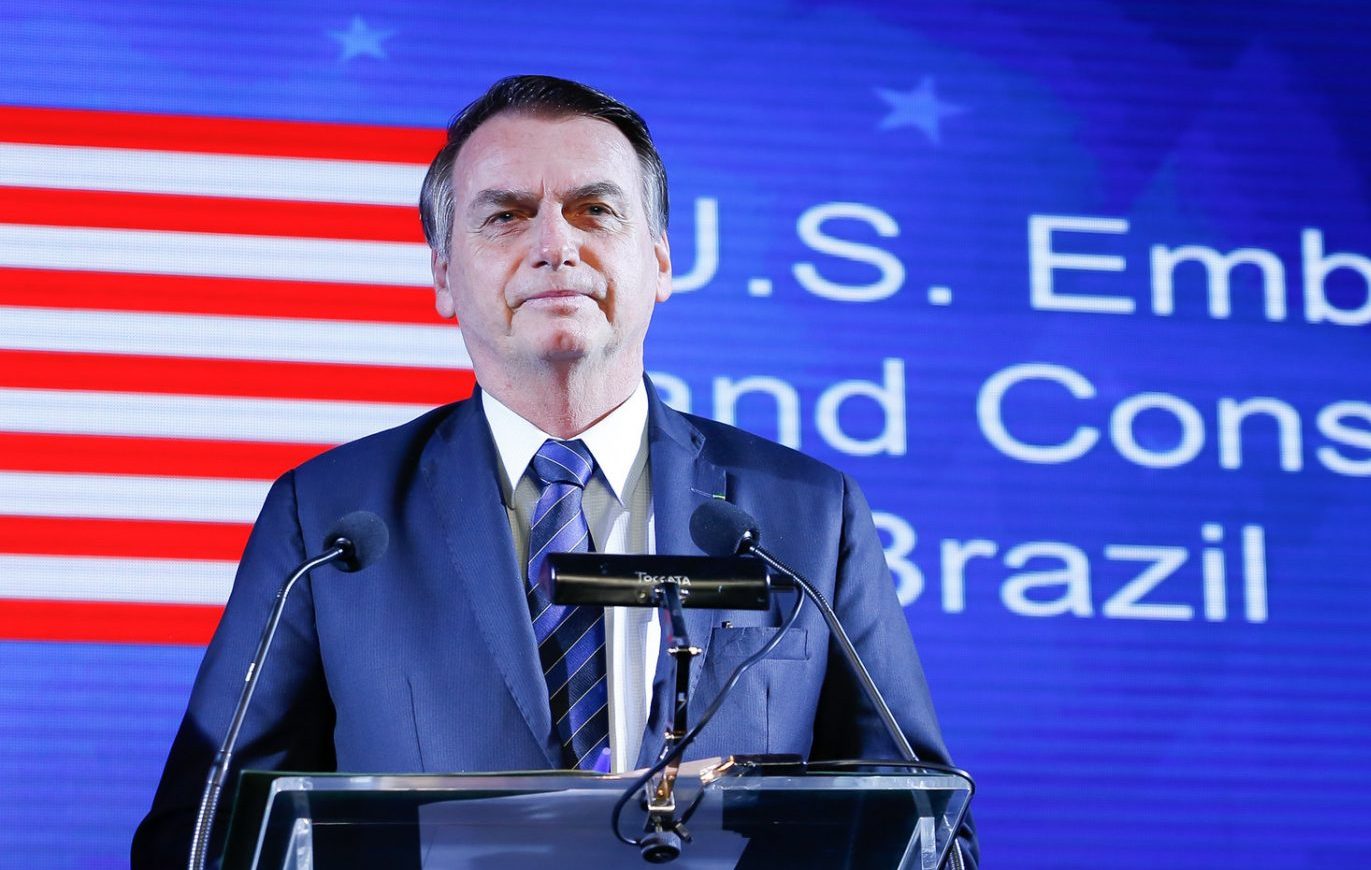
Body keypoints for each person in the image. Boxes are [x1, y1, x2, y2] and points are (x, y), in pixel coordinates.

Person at [132, 74, 978, 868]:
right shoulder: (330, 518)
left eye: (594, 210)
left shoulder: (807, 515)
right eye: (505, 216)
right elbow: (198, 834)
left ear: (659, 260)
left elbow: (932, 837)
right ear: (443, 275)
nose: (554, 245)